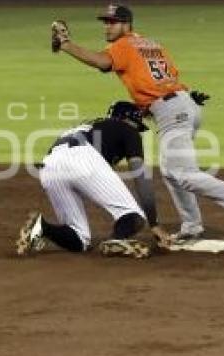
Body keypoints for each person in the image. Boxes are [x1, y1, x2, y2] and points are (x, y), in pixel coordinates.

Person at [50, 3, 224, 242]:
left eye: (112, 22)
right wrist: (183, 101)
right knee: (172, 171)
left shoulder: (123, 45)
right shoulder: (152, 45)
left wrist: (65, 45)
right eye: (105, 22)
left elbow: (102, 62)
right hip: (183, 104)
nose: (107, 27)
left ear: (126, 24)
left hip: (172, 111)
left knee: (181, 172)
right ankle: (192, 227)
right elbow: (166, 78)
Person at [16, 101, 170, 259]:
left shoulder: (86, 128)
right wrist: (154, 223)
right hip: (83, 158)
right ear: (129, 120)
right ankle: (117, 240)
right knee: (133, 215)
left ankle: (41, 227)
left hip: (49, 167)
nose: (138, 130)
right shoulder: (127, 129)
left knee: (79, 239)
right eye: (137, 125)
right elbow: (140, 175)